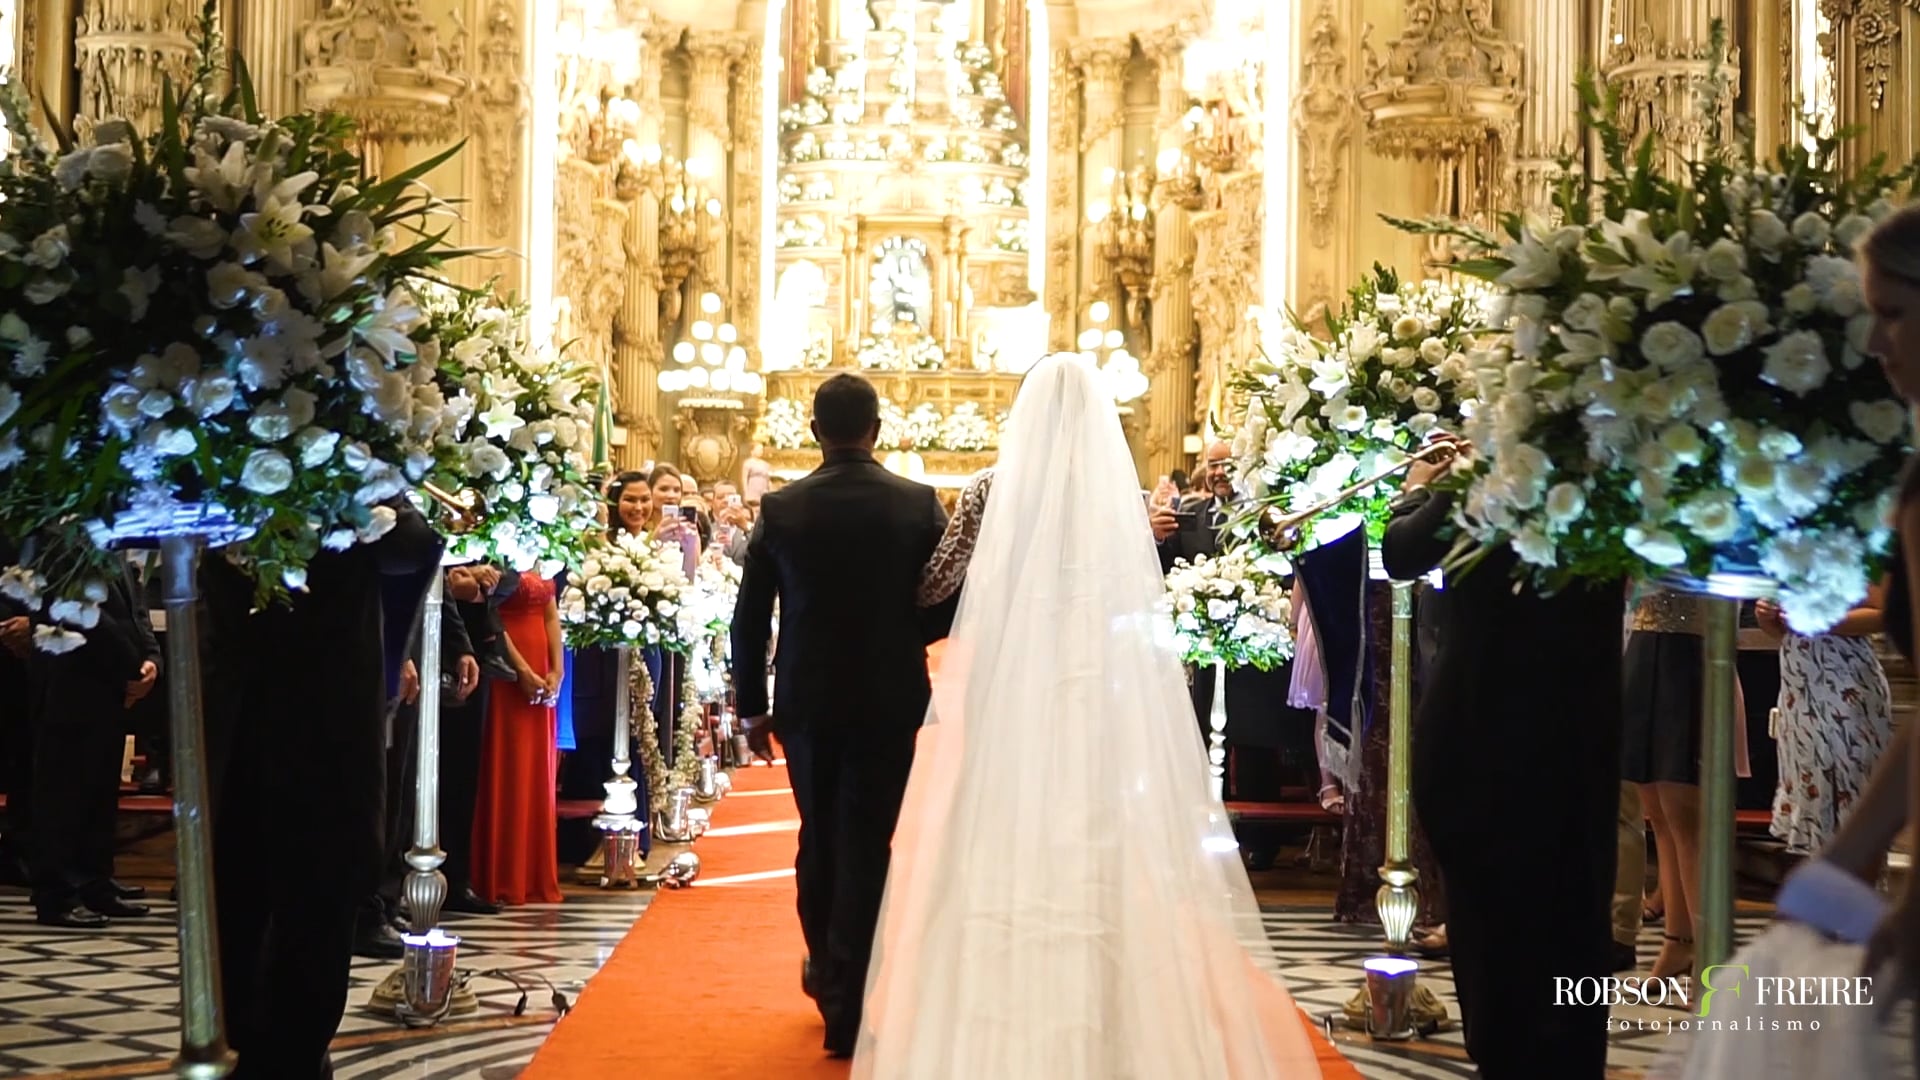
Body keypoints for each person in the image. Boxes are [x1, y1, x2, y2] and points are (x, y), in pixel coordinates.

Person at [853, 353, 1322, 1078]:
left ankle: (1001, 1009)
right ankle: (1110, 1011)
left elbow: (935, 584)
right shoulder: (1119, 499)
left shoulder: (987, 491)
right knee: (1099, 829)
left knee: (1004, 827)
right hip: (1096, 684)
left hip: (1009, 686)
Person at [1381, 433, 1622, 1080]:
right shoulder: (1613, 472)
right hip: (1578, 727)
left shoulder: (1488, 474)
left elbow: (1402, 552)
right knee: (1572, 911)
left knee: (1493, 925)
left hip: (1482, 726)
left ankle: (1509, 1049)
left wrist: (1424, 487)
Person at [729, 372, 949, 1057]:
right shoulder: (918, 504)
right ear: (876, 430)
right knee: (869, 840)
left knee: (819, 832)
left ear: (814, 430)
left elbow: (748, 619)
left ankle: (829, 970)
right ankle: (849, 987)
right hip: (889, 699)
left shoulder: (784, 510)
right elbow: (944, 604)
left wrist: (752, 709)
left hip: (807, 698)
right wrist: (902, 631)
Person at [210, 497, 443, 1080]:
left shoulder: (347, 481)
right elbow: (413, 542)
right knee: (269, 888)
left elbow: (412, 542)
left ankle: (281, 1047)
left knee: (298, 890)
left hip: (297, 721)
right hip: (285, 717)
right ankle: (273, 1047)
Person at [28, 556, 160, 927]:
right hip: (72, 684)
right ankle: (56, 893)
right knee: (64, 795)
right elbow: (76, 609)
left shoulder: (115, 540)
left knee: (100, 793)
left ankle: (95, 880)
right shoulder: (64, 536)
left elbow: (136, 608)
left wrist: (152, 659)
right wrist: (132, 666)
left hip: (111, 689)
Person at [1755, 587, 1893, 855]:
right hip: (1799, 688)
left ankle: (1852, 892)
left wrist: (1816, 616)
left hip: (1843, 684)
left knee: (1848, 800)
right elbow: (1788, 632)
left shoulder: (1862, 546)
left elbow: (1882, 613)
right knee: (1812, 800)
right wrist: (1769, 617)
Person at [471, 562, 565, 906]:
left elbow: (550, 614)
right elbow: (492, 616)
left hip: (542, 666)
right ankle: (500, 874)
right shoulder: (498, 552)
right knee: (506, 764)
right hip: (507, 665)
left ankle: (531, 874)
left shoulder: (549, 549)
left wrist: (558, 669)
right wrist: (521, 670)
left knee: (535, 771)